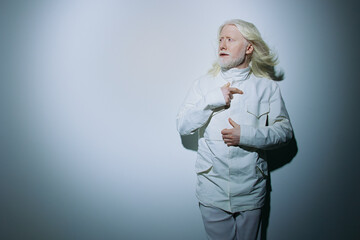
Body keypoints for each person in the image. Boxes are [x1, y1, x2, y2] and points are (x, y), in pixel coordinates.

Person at [176, 19, 293, 240]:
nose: (222, 44)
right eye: (221, 39)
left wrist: (245, 135)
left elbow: (285, 133)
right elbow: (183, 126)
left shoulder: (267, 88)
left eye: (230, 39)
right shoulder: (203, 85)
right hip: (212, 191)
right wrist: (212, 100)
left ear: (249, 48)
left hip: (251, 191)